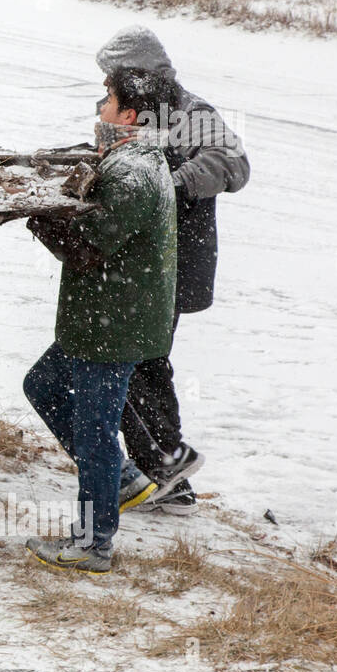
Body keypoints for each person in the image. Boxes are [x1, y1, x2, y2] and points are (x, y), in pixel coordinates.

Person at [22, 67, 178, 574]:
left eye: (107, 100)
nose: (100, 108)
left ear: (129, 116)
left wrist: (38, 214)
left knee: (94, 433)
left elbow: (88, 248)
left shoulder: (132, 173)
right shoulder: (134, 159)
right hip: (102, 319)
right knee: (43, 384)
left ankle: (93, 544)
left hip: (113, 326)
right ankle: (125, 481)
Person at [95, 26, 250, 515]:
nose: (103, 87)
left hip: (174, 263)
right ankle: (166, 476)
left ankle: (165, 466)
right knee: (136, 364)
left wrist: (168, 185)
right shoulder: (125, 108)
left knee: (140, 364)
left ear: (140, 73)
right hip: (133, 260)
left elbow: (235, 164)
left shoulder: (190, 114)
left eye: (111, 78)